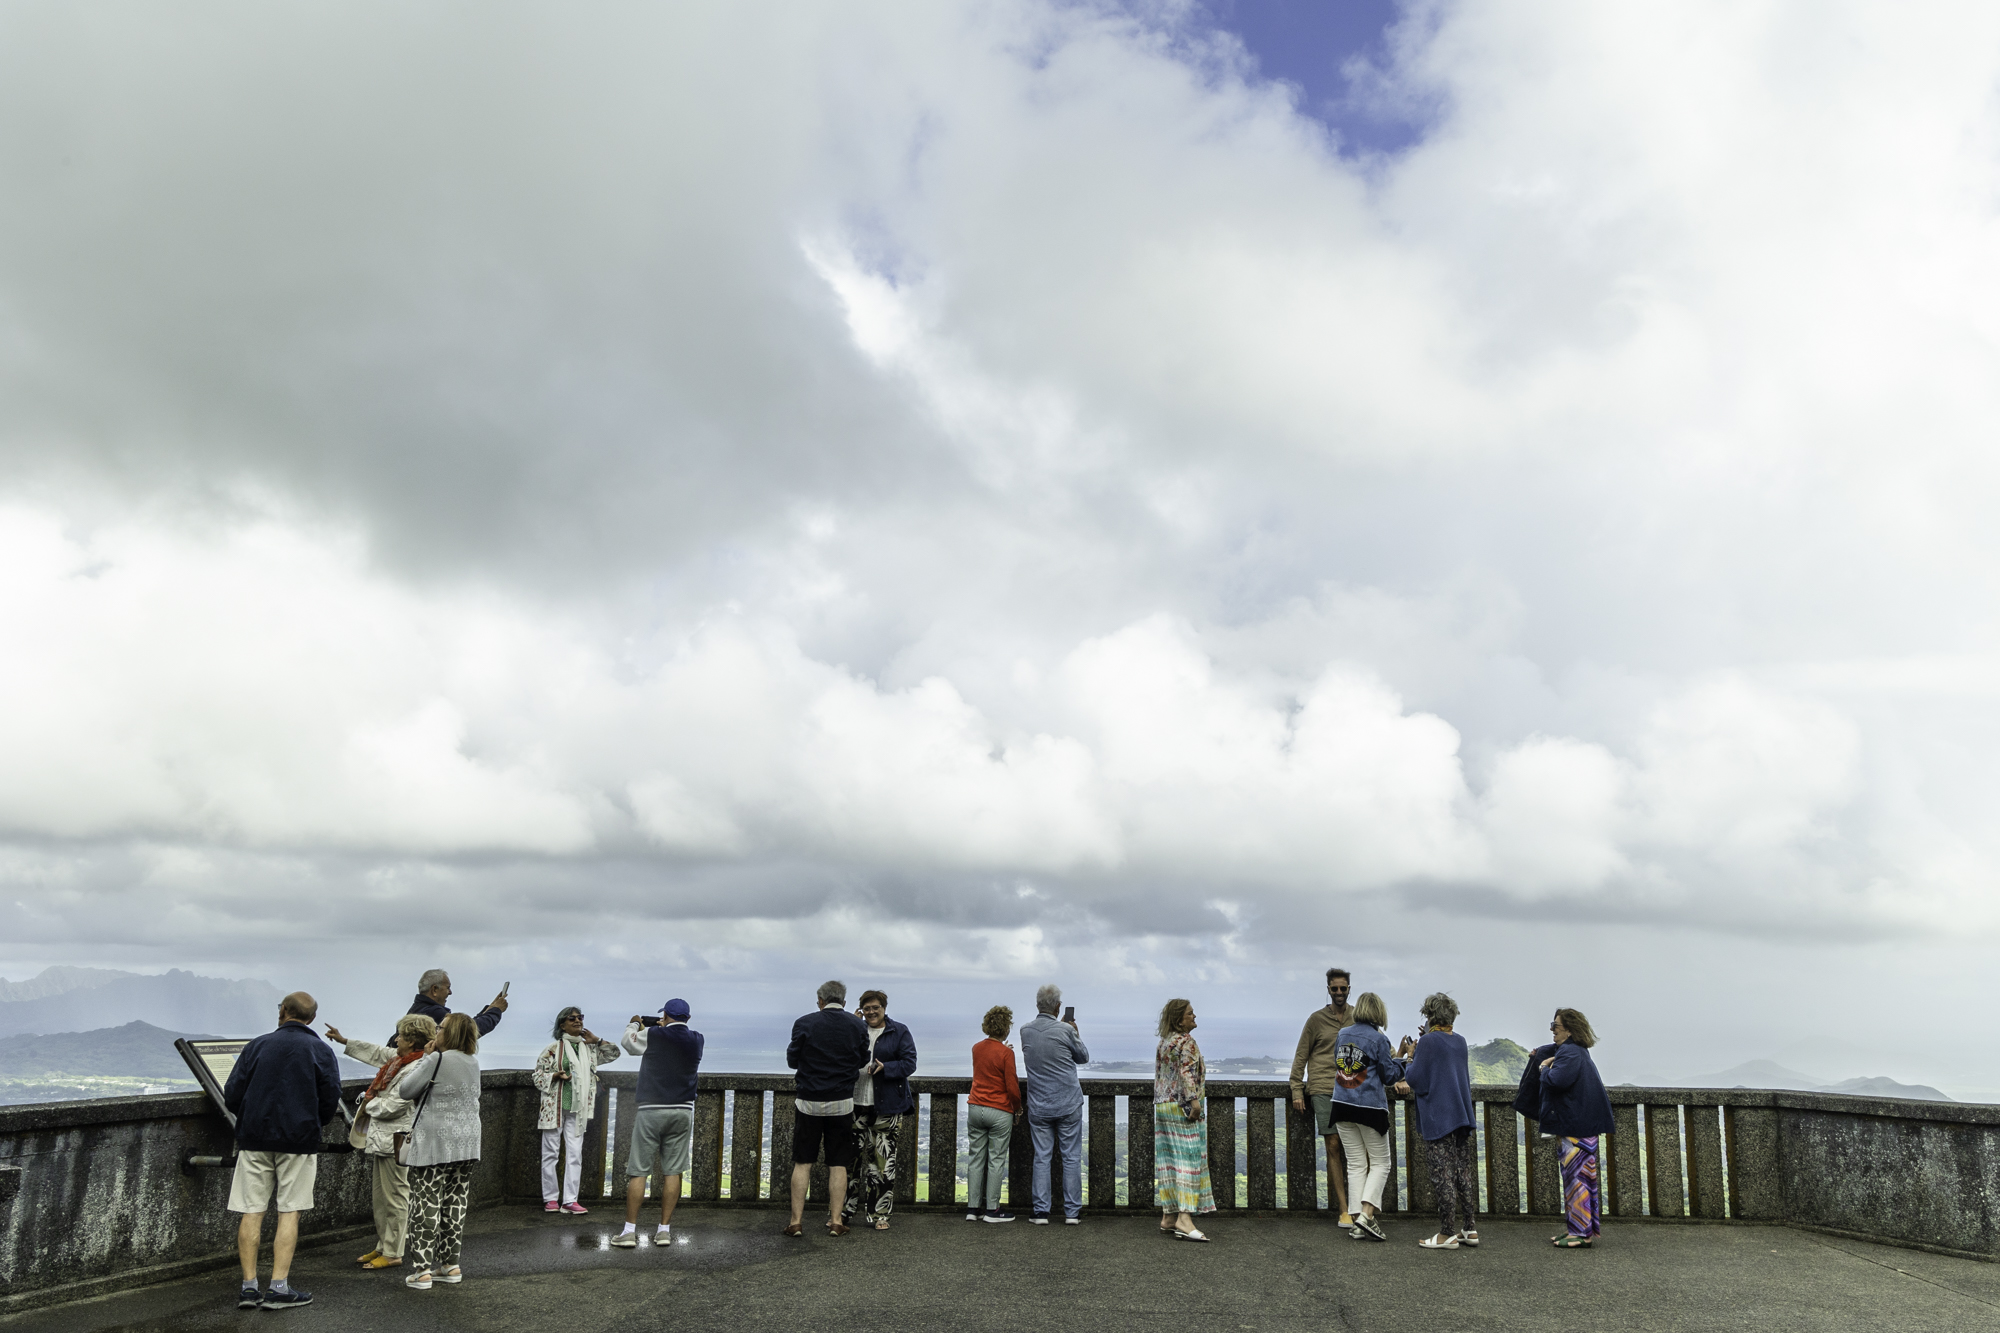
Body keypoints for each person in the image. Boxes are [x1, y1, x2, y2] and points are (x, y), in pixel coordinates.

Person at [223, 991, 342, 1311]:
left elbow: (232, 1094)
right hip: (299, 1142)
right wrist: (314, 1122)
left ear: (283, 1012)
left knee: (252, 1210)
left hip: (254, 1139)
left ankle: (249, 1288)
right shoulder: (320, 1049)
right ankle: (278, 1287)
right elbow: (330, 1099)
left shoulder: (257, 1045)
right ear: (312, 1019)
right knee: (290, 1211)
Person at [324, 1012, 437, 1271]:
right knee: (381, 1196)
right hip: (386, 1139)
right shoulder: (401, 1060)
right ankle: (384, 1244)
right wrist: (345, 1041)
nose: (396, 1040)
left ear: (412, 1041)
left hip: (398, 1138)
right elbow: (376, 1052)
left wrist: (368, 1101)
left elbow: (395, 1105)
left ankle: (394, 1251)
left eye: (401, 1036)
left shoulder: (417, 1067)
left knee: (395, 1195)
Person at [394, 1012, 484, 1290]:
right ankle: (450, 1264)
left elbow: (406, 1090)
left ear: (451, 1033)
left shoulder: (436, 1059)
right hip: (468, 1142)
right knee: (455, 1203)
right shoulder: (472, 1062)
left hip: (436, 1142)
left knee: (425, 1203)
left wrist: (425, 1057)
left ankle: (422, 1269)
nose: (436, 1033)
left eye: (440, 1028)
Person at [612, 999, 703, 1247]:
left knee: (639, 1170)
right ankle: (664, 1230)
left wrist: (635, 1023)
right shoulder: (697, 1039)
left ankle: (629, 1232)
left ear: (664, 1014)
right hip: (683, 1110)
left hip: (652, 1109)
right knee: (673, 1171)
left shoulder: (653, 1035)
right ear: (688, 1018)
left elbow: (628, 1044)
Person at [784, 981, 870, 1237]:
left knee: (803, 1162)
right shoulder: (857, 1025)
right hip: (842, 1103)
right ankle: (835, 1221)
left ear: (820, 1001)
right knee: (838, 1164)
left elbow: (792, 1060)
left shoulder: (804, 1023)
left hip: (808, 1101)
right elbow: (863, 1059)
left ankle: (796, 1222)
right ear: (843, 1002)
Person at [1393, 992, 1478, 1250]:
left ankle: (1446, 1233)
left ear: (1430, 1015)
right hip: (1461, 1115)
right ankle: (1470, 1229)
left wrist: (1410, 1055)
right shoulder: (1460, 1041)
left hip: (1439, 1117)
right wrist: (1426, 1037)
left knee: (1443, 1175)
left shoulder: (1428, 1042)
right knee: (1462, 1173)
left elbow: (1416, 1079)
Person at [1529, 1007, 1615, 1249]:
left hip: (1575, 1129)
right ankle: (1577, 1229)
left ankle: (1581, 1234)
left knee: (1577, 1180)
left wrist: (1543, 1068)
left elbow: (1556, 1082)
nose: (1552, 1030)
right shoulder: (1575, 1051)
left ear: (1569, 1029)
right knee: (1577, 1179)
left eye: (1555, 1026)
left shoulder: (1569, 1054)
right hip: (1579, 1127)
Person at [1333, 991, 1406, 1242]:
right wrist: (1404, 1059)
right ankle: (1366, 1215)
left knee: (1355, 1164)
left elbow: (1339, 1064)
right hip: (1369, 1108)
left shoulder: (1342, 1034)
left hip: (1341, 1104)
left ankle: (1357, 1221)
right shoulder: (1379, 1040)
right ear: (1379, 1012)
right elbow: (1388, 1076)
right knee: (1381, 1163)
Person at [533, 1007, 621, 1214]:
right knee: (550, 1153)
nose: (577, 1021)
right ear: (562, 1024)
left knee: (575, 1154)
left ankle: (570, 1200)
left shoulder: (589, 1049)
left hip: (578, 1109)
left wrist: (597, 1040)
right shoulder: (552, 1049)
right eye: (571, 1018)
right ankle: (551, 1198)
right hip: (553, 1108)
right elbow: (537, 1076)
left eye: (580, 1017)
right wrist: (554, 1076)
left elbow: (614, 1053)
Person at [844, 989, 917, 1231]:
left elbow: (910, 1063)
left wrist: (887, 1067)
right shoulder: (854, 1029)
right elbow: (842, 1057)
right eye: (867, 1008)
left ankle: (880, 1214)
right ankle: (844, 1211)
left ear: (884, 1008)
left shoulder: (899, 1031)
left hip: (887, 1106)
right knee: (849, 1162)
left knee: (883, 1164)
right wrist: (851, 1026)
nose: (872, 1012)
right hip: (855, 1103)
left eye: (876, 1007)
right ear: (861, 1010)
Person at [1289, 967, 1356, 1224]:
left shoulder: (1358, 1016)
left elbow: (1377, 1043)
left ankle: (1359, 1204)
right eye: (1334, 988)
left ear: (1349, 989)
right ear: (1328, 990)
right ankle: (1344, 1209)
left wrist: (1403, 1058)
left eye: (1343, 988)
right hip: (1322, 1087)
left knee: (1355, 1148)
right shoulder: (1316, 1020)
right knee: (1333, 1145)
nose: (1339, 992)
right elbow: (1301, 1055)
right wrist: (1297, 1088)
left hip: (1353, 1088)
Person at [1020, 983, 1090, 1224]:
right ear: (1059, 1006)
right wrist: (1074, 1032)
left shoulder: (1025, 1031)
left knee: (1042, 1156)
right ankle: (1072, 1212)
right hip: (1068, 1102)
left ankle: (1041, 1211)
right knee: (1071, 1157)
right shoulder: (1066, 1030)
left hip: (1039, 1104)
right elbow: (1083, 1058)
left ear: (1037, 1005)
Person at [1154, 997, 1214, 1241]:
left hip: (1162, 1105)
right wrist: (1194, 1102)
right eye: (1190, 1013)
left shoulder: (1164, 1042)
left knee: (1169, 1161)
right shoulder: (1187, 1042)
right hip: (1181, 1107)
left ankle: (1169, 1217)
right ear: (1179, 1019)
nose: (1194, 1016)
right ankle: (1185, 1219)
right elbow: (1187, 1073)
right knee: (1189, 1162)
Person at [966, 1004, 1022, 1223]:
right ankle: (992, 1210)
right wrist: (1017, 1108)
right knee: (996, 1160)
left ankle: (972, 1208)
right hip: (998, 1110)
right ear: (1006, 1028)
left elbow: (988, 1063)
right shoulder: (1006, 1053)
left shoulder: (976, 1048)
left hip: (975, 1107)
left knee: (975, 1158)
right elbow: (1012, 1086)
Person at [402, 968, 507, 1038]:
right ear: (434, 990)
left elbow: (467, 1024)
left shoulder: (417, 1009)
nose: (450, 992)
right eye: (448, 988)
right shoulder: (433, 1012)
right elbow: (468, 1031)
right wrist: (496, 1011)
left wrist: (490, 1009)